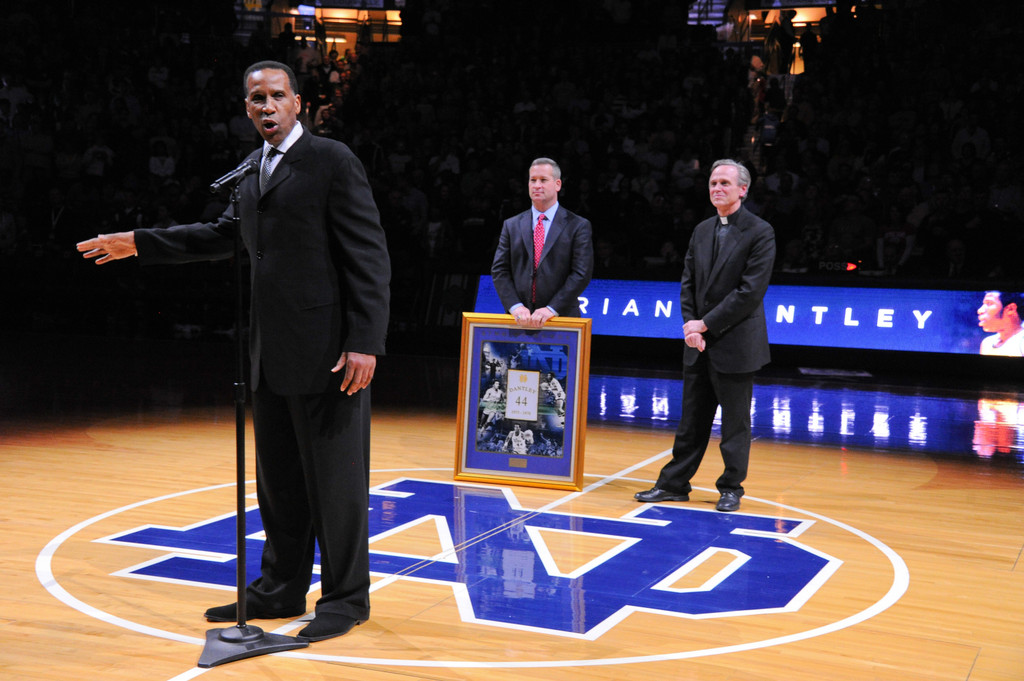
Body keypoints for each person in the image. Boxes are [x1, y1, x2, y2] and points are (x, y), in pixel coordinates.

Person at [76, 60, 390, 642]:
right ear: (246, 107)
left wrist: (365, 342)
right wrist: (139, 243)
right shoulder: (251, 171)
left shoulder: (331, 160)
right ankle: (280, 589)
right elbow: (223, 236)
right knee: (279, 485)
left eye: (277, 96)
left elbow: (368, 255)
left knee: (336, 486)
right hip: (268, 355)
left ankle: (345, 599)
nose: (267, 106)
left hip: (328, 355)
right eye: (256, 98)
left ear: (298, 103)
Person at [635, 159, 776, 512]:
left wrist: (705, 324)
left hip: (736, 342)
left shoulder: (760, 232)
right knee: (691, 421)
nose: (717, 189)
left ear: (743, 189)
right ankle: (674, 484)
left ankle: (731, 488)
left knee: (735, 425)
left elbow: (749, 292)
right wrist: (690, 325)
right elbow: (688, 283)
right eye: (713, 183)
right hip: (697, 342)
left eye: (725, 183)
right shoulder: (701, 230)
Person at [490, 157, 594, 328]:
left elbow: (581, 274)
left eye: (543, 180)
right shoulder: (511, 225)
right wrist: (515, 306)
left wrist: (552, 309)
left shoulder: (578, 225)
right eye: (533, 180)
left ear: (557, 184)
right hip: (519, 319)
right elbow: (499, 270)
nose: (537, 185)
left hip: (562, 318)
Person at [977, 291, 1024, 356]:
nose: (980, 311)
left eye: (989, 303)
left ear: (1011, 309)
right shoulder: (987, 343)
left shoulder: (1021, 344)